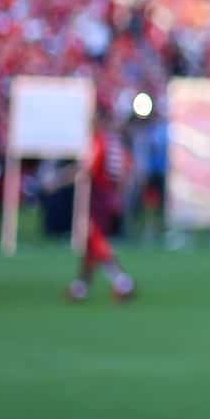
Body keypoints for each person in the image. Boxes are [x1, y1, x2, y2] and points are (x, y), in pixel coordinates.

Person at [65, 123, 136, 303]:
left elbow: (88, 169)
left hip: (99, 197)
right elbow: (128, 167)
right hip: (110, 196)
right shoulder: (114, 142)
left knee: (95, 239)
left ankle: (123, 282)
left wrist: (57, 180)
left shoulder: (99, 141)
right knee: (91, 244)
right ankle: (81, 286)